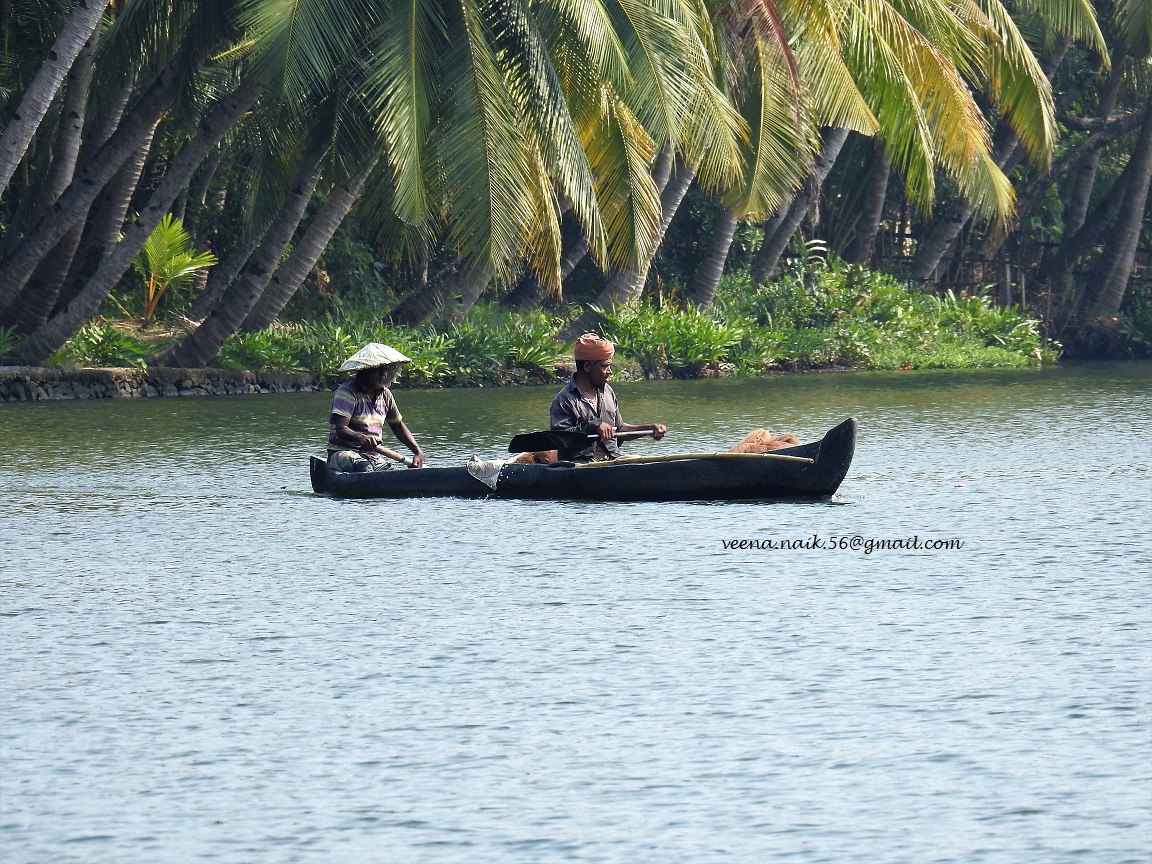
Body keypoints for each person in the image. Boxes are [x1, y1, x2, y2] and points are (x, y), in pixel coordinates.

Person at [550, 333, 666, 462]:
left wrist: (648, 429)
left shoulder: (607, 391)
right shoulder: (564, 399)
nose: (610, 371)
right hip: (580, 463)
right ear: (587, 366)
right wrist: (593, 426)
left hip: (613, 459)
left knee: (642, 463)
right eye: (605, 366)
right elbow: (560, 438)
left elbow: (619, 429)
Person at [327, 343, 424, 471]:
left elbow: (397, 426)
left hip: (372, 457)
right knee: (364, 467)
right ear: (366, 370)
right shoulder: (347, 392)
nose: (384, 374)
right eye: (379, 369)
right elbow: (341, 429)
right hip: (343, 454)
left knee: (393, 473)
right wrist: (361, 438)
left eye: (386, 369)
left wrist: (417, 451)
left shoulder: (385, 395)